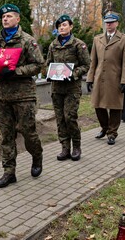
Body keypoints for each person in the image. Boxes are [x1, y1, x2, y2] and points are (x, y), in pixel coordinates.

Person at [0, 4, 44, 188]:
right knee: (6, 135)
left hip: (23, 95)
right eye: (3, 16)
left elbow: (38, 65)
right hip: (3, 95)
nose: (5, 19)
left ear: (18, 19)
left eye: (9, 16)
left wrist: (16, 72)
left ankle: (37, 156)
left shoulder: (27, 41)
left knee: (28, 132)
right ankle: (9, 172)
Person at [46, 15, 90, 161]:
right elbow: (48, 63)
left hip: (72, 87)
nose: (61, 28)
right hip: (57, 88)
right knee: (60, 119)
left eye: (64, 25)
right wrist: (48, 73)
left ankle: (76, 146)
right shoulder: (53, 45)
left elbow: (86, 65)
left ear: (71, 26)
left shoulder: (78, 45)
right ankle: (65, 147)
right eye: (59, 26)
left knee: (69, 117)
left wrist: (73, 73)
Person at [86, 12, 125, 145]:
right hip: (100, 78)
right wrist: (90, 78)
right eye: (107, 22)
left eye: (111, 22)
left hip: (115, 78)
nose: (109, 24)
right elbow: (93, 60)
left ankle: (112, 133)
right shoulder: (97, 39)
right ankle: (104, 128)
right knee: (98, 105)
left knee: (115, 106)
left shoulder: (123, 39)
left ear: (117, 23)